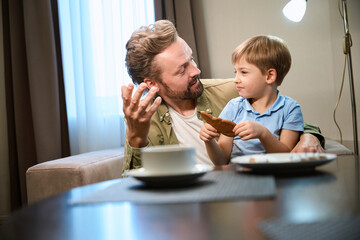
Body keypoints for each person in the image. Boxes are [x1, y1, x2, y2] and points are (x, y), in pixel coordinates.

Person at [121, 20, 324, 174]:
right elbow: (135, 184)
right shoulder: (144, 119)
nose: (197, 70)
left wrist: (310, 136)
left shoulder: (230, 91)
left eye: (190, 58)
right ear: (152, 84)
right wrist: (136, 138)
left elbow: (286, 116)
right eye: (183, 69)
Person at [200, 35, 303, 165]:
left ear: (269, 76)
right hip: (238, 176)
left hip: (275, 176)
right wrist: (208, 141)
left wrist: (263, 134)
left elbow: (286, 156)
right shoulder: (234, 107)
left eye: (243, 72)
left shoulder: (290, 109)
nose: (236, 79)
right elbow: (222, 161)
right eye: (235, 72)